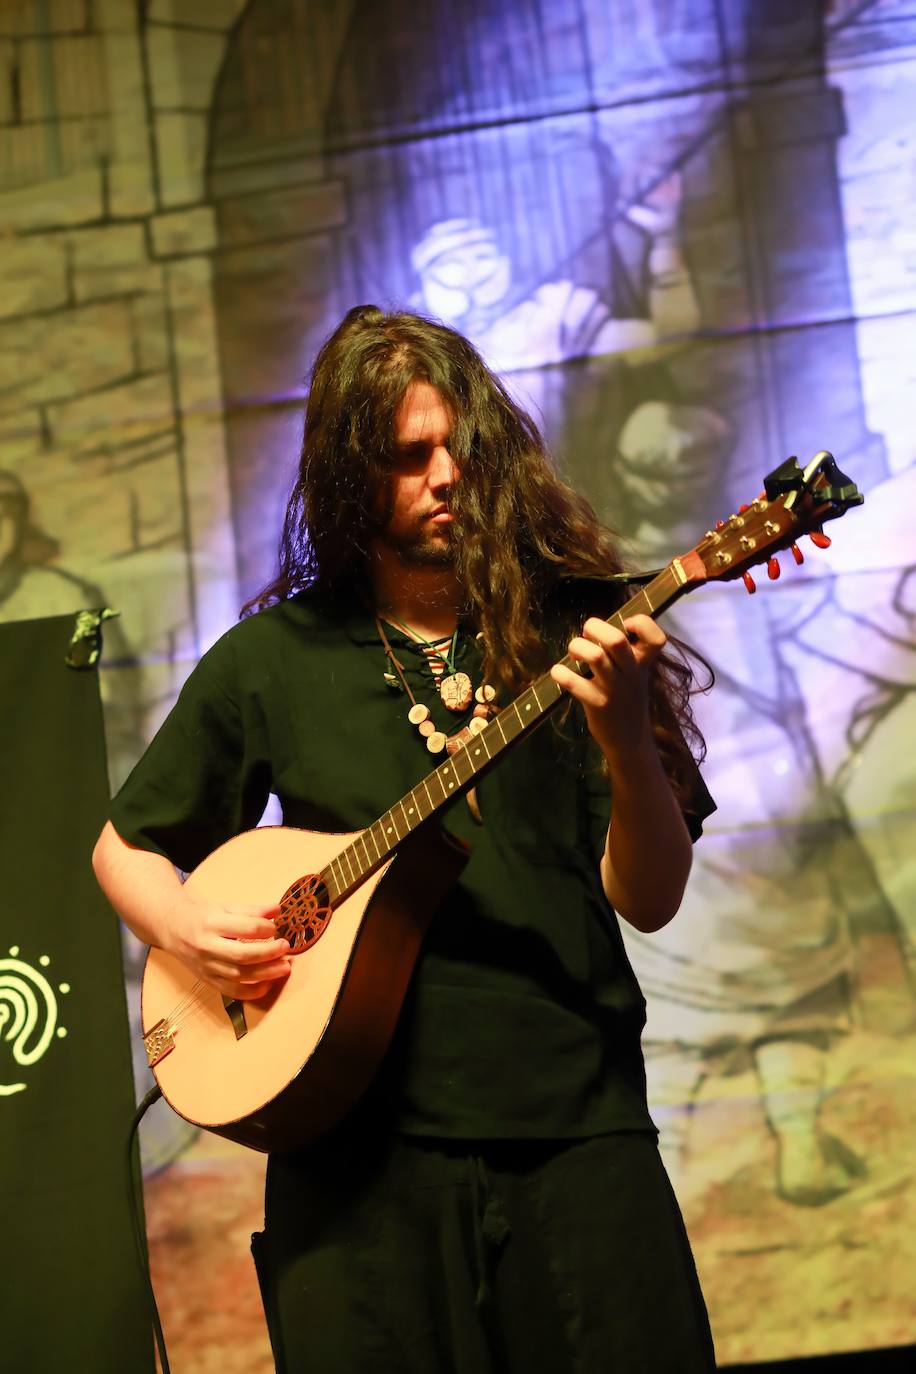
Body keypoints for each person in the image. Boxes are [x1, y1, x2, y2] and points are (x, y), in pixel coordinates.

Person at [93, 305, 717, 1372]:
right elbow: (124, 848)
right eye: (406, 458)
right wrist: (193, 935)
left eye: (460, 449)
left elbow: (647, 895)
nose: (445, 479)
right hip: (349, 1155)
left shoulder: (581, 629)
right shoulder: (271, 660)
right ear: (349, 477)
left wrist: (620, 737)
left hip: (574, 1126)